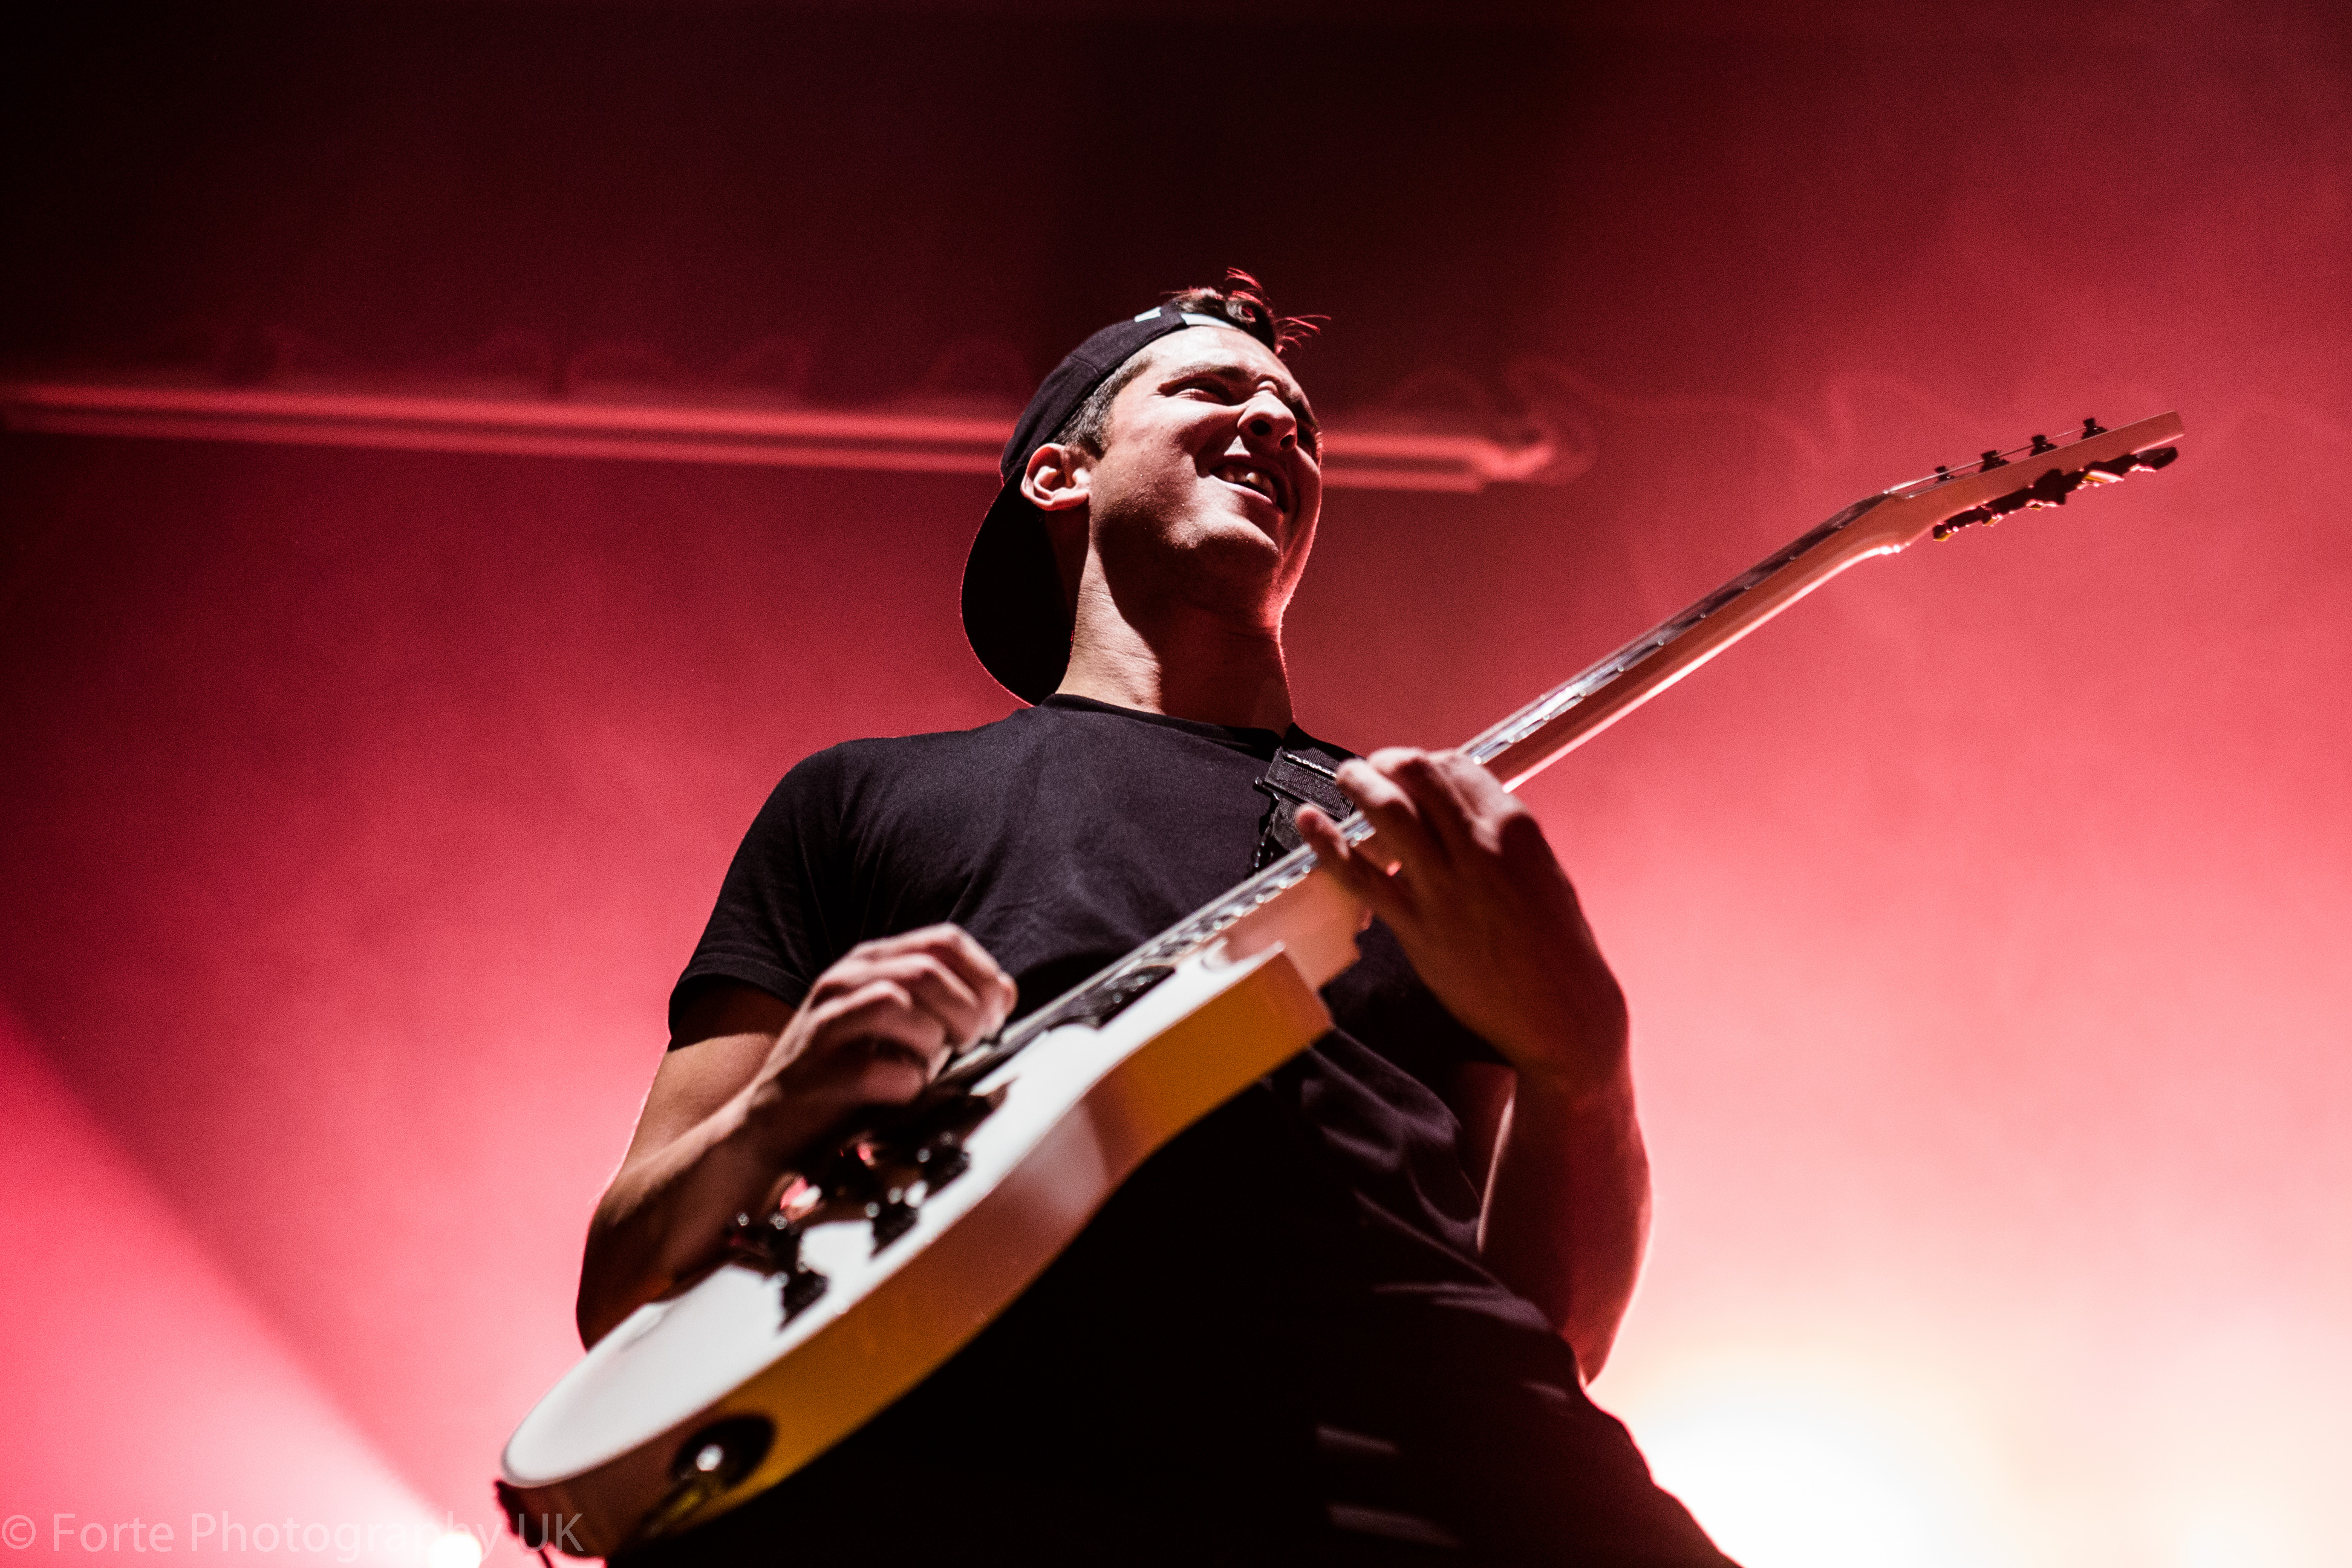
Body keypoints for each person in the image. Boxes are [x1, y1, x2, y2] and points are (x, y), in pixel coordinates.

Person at [578, 273, 1735, 1565]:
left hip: (1438, 1465)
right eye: (1211, 389)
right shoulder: (859, 801)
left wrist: (1587, 1064)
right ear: (1058, 474)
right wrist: (785, 1103)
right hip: (1003, 1462)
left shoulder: (1415, 841)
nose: (1276, 426)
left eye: (1298, 420)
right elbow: (624, 1286)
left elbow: (1546, 1332)